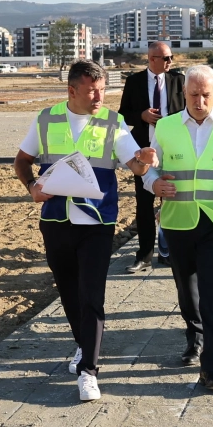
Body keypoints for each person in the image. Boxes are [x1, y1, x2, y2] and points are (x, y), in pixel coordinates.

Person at [14, 60, 156, 401]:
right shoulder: (46, 119)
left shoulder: (112, 122)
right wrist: (31, 186)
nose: (98, 97)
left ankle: (88, 372)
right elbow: (22, 161)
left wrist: (144, 159)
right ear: (72, 90)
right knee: (69, 291)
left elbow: (135, 166)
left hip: (98, 222)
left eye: (102, 90)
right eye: (92, 91)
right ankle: (83, 345)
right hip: (55, 220)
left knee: (92, 295)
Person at [146, 66, 213, 389]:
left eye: (205, 95)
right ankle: (194, 335)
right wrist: (153, 184)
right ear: (184, 93)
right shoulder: (165, 127)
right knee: (187, 292)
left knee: (212, 294)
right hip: (178, 222)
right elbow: (149, 168)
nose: (199, 101)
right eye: (193, 94)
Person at [118, 40, 184, 272]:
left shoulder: (179, 80)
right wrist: (142, 116)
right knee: (144, 204)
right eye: (165, 58)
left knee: (171, 202)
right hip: (144, 152)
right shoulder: (135, 82)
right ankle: (144, 255)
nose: (170, 62)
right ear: (151, 59)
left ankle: (168, 252)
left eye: (171, 57)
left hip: (173, 150)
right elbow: (123, 115)